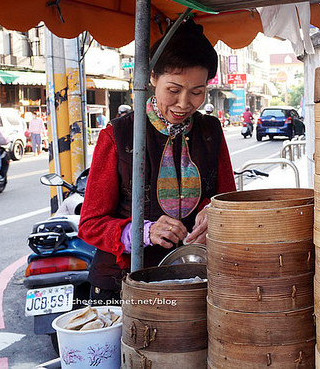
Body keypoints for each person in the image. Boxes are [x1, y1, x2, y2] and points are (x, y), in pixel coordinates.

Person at [79, 19, 236, 303]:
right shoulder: (119, 134)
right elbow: (90, 224)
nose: (184, 103)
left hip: (194, 278)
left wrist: (213, 212)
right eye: (173, 90)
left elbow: (228, 200)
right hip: (124, 283)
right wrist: (144, 231)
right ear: (152, 78)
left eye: (197, 92)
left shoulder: (210, 131)